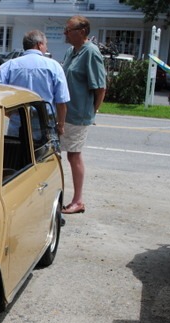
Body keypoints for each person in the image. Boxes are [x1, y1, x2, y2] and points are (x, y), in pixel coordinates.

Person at [61, 15, 107, 214]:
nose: (65, 33)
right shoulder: (71, 51)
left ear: (81, 32)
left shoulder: (91, 52)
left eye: (68, 30)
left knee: (74, 155)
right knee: (60, 154)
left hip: (78, 114)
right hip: (65, 113)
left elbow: (100, 88)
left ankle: (78, 201)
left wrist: (91, 111)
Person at [0, 29, 69, 138]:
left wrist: (8, 111)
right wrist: (61, 125)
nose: (47, 48)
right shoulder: (54, 66)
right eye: (46, 44)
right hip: (45, 123)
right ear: (39, 45)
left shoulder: (11, 65)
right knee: (44, 149)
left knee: (15, 149)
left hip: (18, 121)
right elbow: (61, 101)